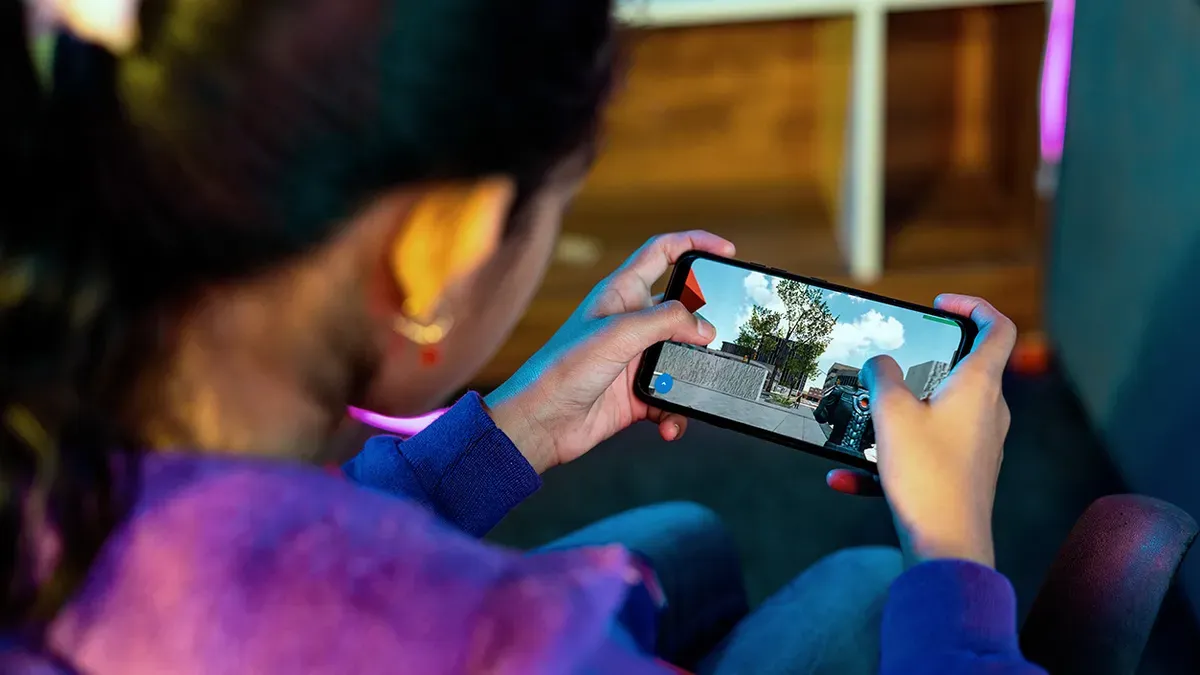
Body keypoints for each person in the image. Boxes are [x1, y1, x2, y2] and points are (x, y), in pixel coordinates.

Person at [0, 0, 1046, 673]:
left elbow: (261, 541)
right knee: (870, 591)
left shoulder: (48, 438)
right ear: (441, 245)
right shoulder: (506, 642)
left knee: (684, 537)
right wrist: (953, 554)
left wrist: (514, 431)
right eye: (554, 201)